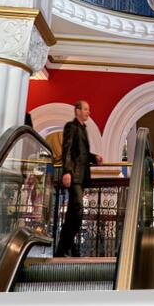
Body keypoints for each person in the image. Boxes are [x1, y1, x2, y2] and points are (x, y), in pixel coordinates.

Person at [55, 100, 103, 257]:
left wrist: (94, 157)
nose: (88, 112)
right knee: (78, 211)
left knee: (72, 214)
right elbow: (67, 150)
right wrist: (67, 171)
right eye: (86, 109)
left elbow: (82, 153)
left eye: (88, 110)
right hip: (74, 175)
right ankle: (66, 247)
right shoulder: (71, 126)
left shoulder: (83, 129)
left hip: (81, 176)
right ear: (77, 111)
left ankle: (64, 248)